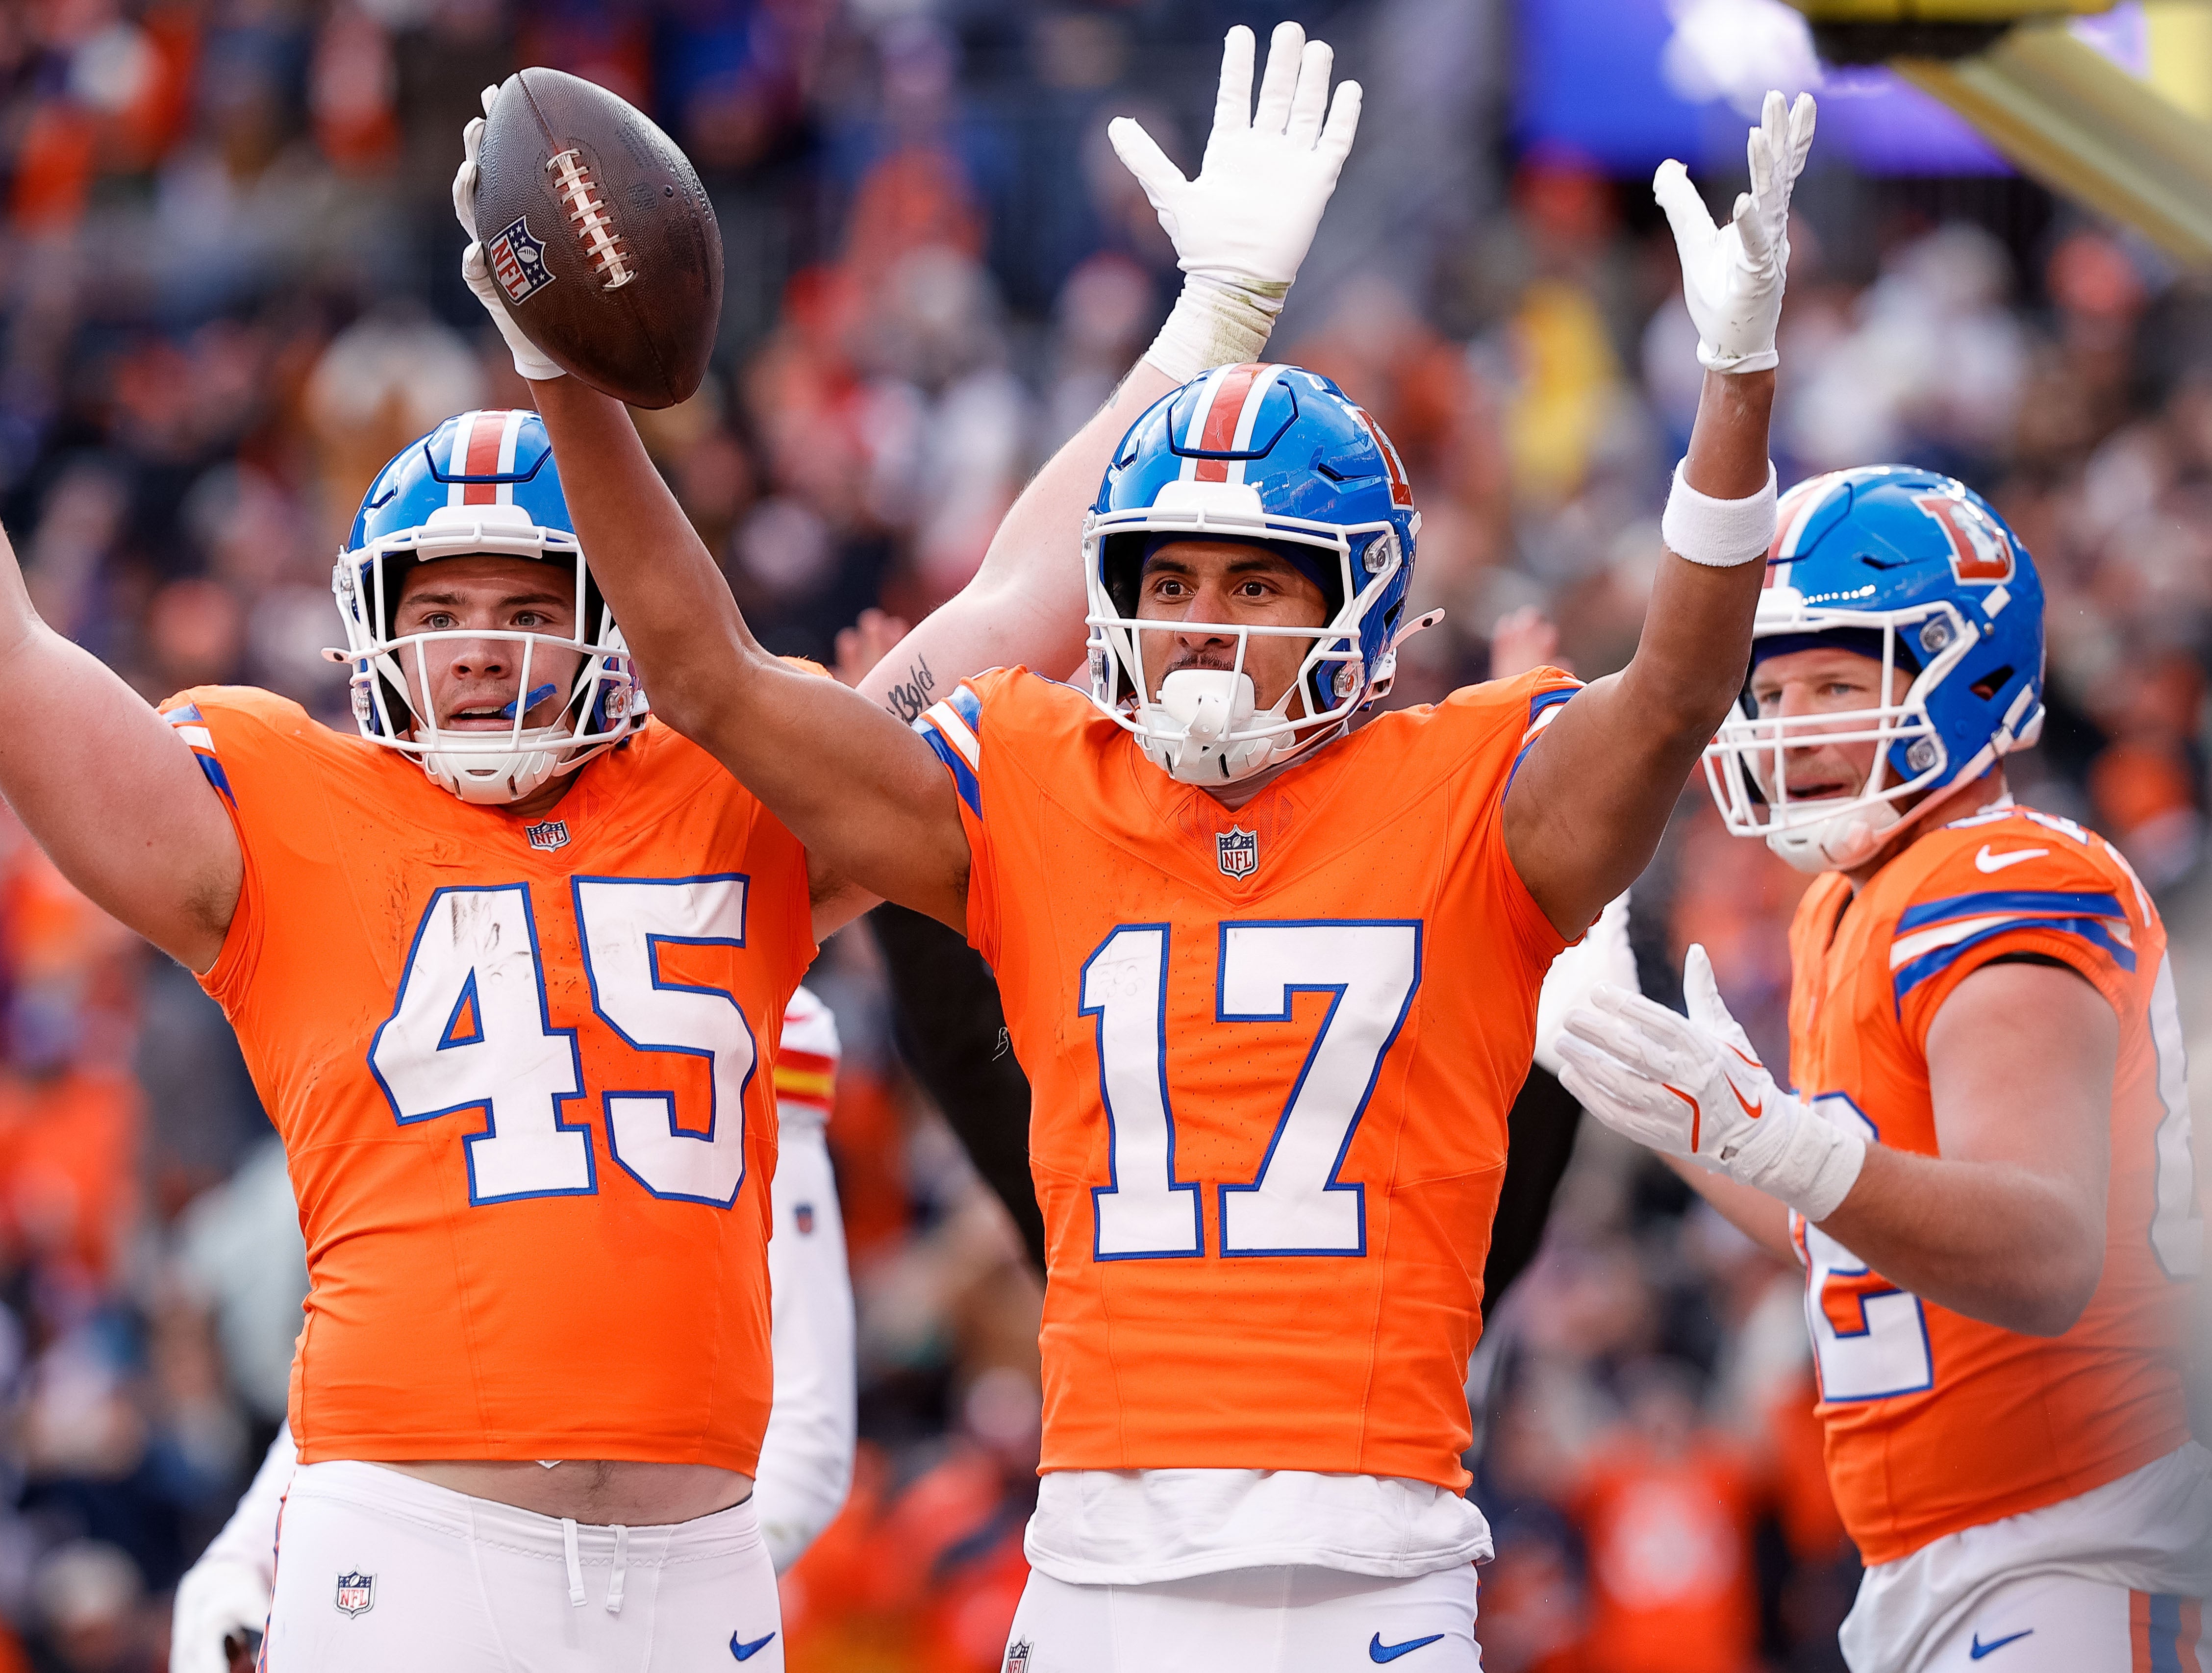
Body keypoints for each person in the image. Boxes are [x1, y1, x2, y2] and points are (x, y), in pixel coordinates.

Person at [0, 23, 1355, 1668]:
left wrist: (1210, 322)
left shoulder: (728, 784)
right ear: (373, 632)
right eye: (442, 610)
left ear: (614, 615)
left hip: (701, 1558)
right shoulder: (278, 806)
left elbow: (1019, 602)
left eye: (532, 605)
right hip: (413, 1542)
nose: (487, 649)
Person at [520, 9, 1818, 1645]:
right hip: (1101, 1571)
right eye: (1170, 579)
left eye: (1257, 580)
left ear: (1358, 608)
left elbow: (1680, 696)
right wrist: (560, 368)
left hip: (1378, 1574)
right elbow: (707, 679)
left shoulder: (1470, 784)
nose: (1205, 622)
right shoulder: (1036, 769)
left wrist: (1733, 403)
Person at [1550, 466, 2211, 1673]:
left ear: (1973, 675)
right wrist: (1667, 1109)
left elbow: (2042, 1250)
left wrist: (1774, 1137)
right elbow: (1847, 1226)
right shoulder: (1845, 905)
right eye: (1775, 690)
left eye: (1840, 685)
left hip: (2075, 1532)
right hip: (1947, 1561)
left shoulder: (2003, 874)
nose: (1792, 725)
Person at [171, 987, 857, 1673]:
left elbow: (805, 1420)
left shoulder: (741, 979)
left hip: (647, 1586)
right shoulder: (431, 958)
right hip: (429, 1562)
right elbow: (392, 1345)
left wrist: (667, 1580)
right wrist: (249, 1548)